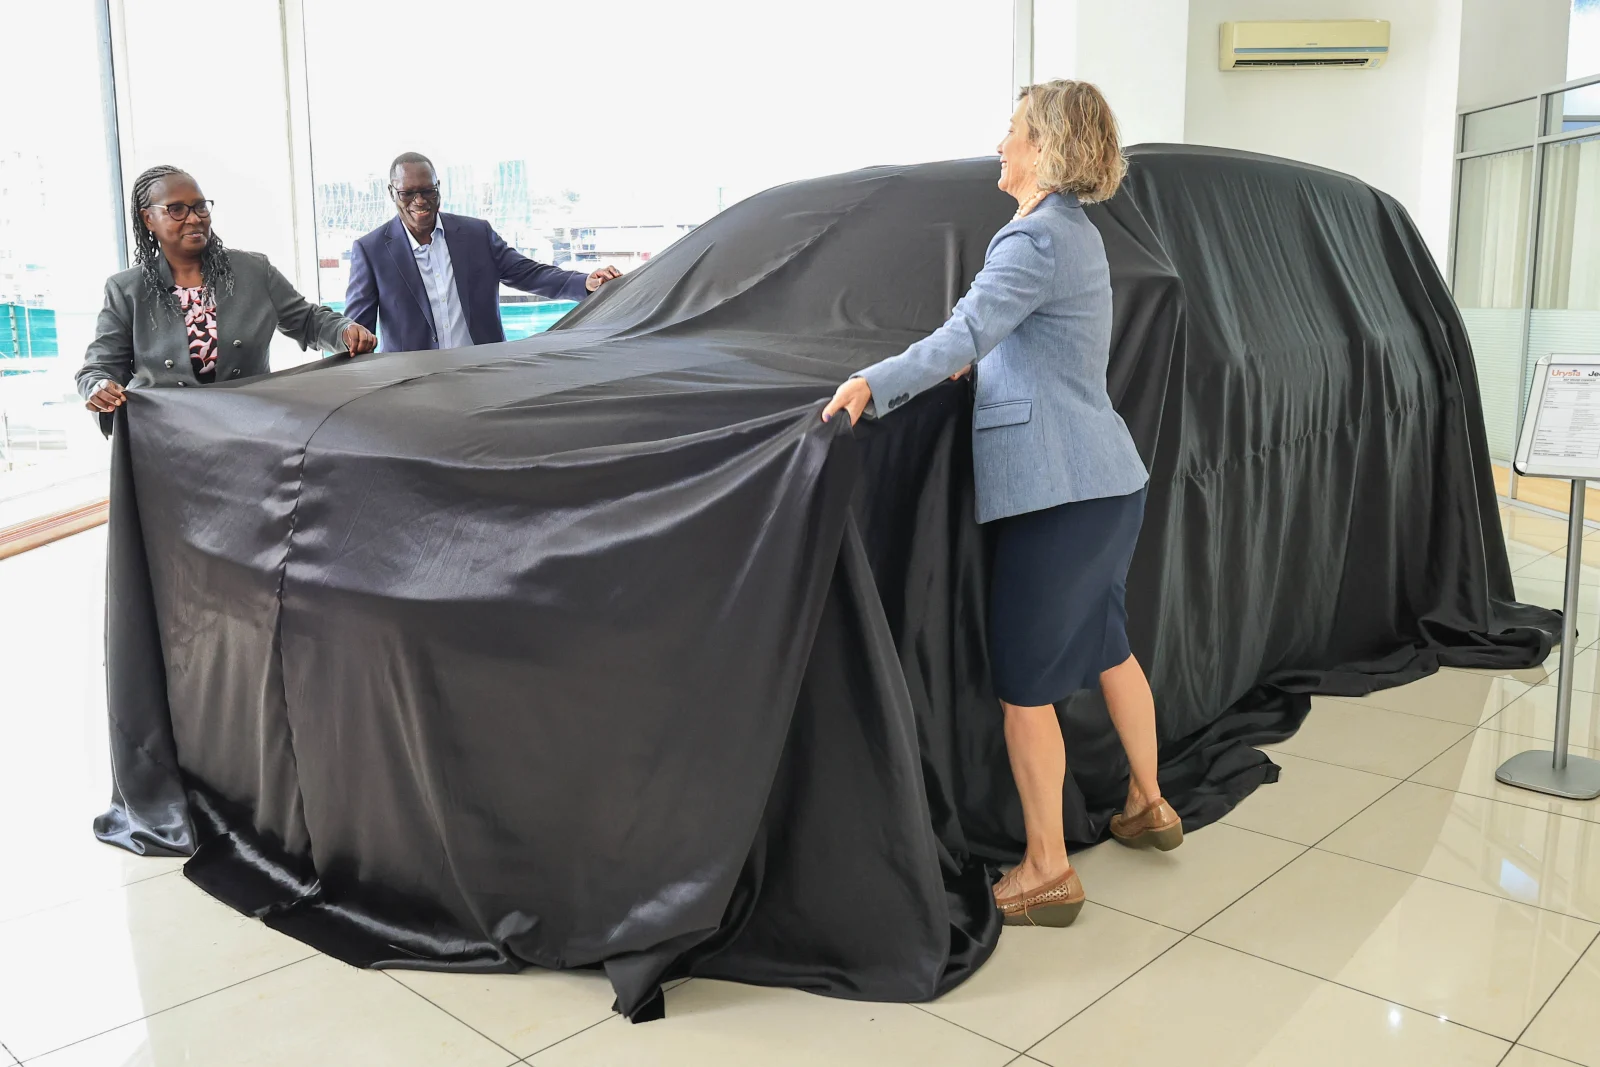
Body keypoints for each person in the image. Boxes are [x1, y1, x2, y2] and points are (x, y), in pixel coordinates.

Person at [822, 80, 1180, 929]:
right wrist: (978, 363)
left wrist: (875, 382)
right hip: (1106, 484)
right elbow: (1027, 345)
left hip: (1056, 495)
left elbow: (962, 335)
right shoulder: (1079, 234)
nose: (1000, 146)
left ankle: (1048, 869)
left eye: (1013, 133)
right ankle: (1150, 801)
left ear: (1047, 148)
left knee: (1024, 687)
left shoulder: (1031, 240)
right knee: (1110, 646)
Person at [78, 165, 374, 423]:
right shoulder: (127, 289)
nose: (194, 218)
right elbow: (100, 366)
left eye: (200, 206)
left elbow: (308, 320)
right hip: (164, 439)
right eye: (176, 209)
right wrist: (99, 387)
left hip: (248, 429)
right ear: (148, 219)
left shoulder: (254, 270)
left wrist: (345, 331)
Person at [344, 153, 622, 353]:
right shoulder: (370, 251)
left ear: (439, 188)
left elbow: (529, 273)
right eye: (408, 193)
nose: (420, 201)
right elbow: (357, 334)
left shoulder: (476, 235)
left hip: (484, 376)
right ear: (392, 192)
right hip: (411, 388)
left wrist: (585, 282)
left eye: (428, 191)